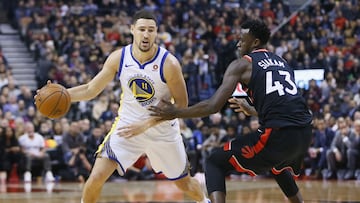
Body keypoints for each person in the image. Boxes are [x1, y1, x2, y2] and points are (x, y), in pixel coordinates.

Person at [36, 9, 209, 203]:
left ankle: (204, 201)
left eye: (151, 30)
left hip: (162, 131)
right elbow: (91, 89)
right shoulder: (119, 57)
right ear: (132, 30)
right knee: (95, 178)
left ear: (156, 32)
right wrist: (61, 94)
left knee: (184, 184)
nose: (146, 34)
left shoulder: (169, 64)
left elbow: (182, 105)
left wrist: (145, 124)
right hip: (126, 127)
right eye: (142, 29)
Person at [149, 19, 313, 203]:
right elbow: (287, 105)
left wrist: (176, 112)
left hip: (278, 134)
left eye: (242, 39)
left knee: (214, 161)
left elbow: (213, 106)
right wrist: (253, 110)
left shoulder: (242, 64)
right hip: (305, 133)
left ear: (255, 42)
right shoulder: (282, 62)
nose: (238, 43)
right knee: (278, 166)